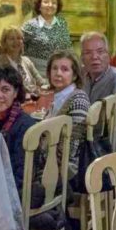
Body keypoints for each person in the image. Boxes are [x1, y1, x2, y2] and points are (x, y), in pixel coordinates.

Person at [0, 65, 37, 193]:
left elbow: (22, 175)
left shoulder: (25, 126)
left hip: (14, 190)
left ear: (15, 92)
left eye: (5, 89)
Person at [47, 50, 91, 178]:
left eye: (65, 69)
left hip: (65, 170)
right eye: (54, 68)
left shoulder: (78, 100)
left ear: (75, 75)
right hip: (51, 161)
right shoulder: (59, 97)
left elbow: (72, 150)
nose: (58, 73)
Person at [21, 0, 71, 73]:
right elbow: (20, 50)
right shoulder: (30, 26)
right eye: (46, 2)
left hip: (60, 71)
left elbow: (68, 47)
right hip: (37, 73)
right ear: (39, 5)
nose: (50, 5)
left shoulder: (62, 23)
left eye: (54, 3)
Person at [0, 26, 44, 98]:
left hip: (33, 98)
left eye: (19, 38)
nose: (16, 41)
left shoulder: (26, 60)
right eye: (12, 39)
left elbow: (40, 80)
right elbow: (4, 87)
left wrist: (42, 87)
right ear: (4, 42)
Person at [79, 31, 116, 103]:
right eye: (88, 52)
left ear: (109, 55)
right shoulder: (78, 76)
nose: (94, 57)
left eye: (100, 51)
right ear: (82, 58)